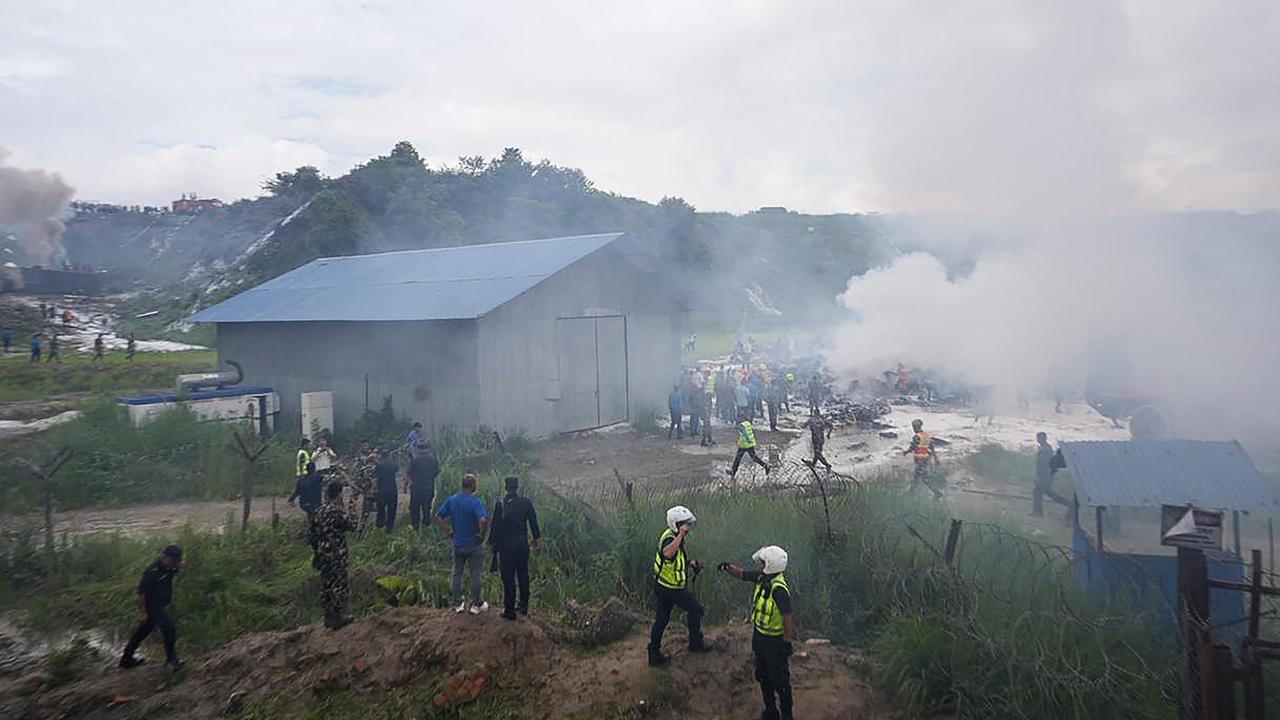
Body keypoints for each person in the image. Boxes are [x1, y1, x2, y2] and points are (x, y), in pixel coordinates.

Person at [718, 546, 795, 720]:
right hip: (759, 636)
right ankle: (770, 711)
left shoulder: (779, 589)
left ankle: (787, 716)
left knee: (781, 682)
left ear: (769, 565)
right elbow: (744, 574)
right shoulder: (763, 577)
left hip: (774, 641)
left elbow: (787, 615)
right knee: (762, 675)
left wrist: (787, 641)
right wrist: (728, 567)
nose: (759, 564)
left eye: (762, 562)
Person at [648, 505, 711, 666]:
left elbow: (675, 560)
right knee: (696, 609)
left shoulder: (675, 536)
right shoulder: (671, 538)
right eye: (685, 524)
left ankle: (653, 653)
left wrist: (690, 563)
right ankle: (695, 644)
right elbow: (668, 554)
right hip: (671, 589)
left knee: (661, 619)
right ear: (676, 524)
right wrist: (681, 535)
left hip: (664, 586)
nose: (689, 527)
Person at [119, 544, 185, 670]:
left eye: (176, 561)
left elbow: (178, 568)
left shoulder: (170, 567)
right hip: (151, 604)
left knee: (142, 632)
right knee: (169, 627)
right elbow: (142, 593)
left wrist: (179, 565)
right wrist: (143, 612)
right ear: (164, 557)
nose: (173, 564)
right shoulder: (152, 571)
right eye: (172, 560)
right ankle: (172, 660)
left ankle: (126, 659)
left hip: (160, 604)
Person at [487, 475, 541, 620]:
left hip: (506, 547)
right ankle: (523, 606)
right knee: (523, 575)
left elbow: (495, 527)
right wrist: (536, 538)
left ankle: (509, 610)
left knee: (508, 578)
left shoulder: (501, 504)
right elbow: (533, 521)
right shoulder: (526, 502)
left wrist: (492, 544)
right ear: (517, 487)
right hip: (522, 545)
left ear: (506, 487)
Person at [435, 473, 490, 614]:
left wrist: (448, 531)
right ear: (472, 486)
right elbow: (483, 520)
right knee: (476, 574)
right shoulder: (475, 502)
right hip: (474, 544)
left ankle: (458, 603)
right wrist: (481, 534)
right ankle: (477, 604)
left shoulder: (452, 500)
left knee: (457, 574)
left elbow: (438, 517)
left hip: (458, 543)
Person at [311, 479, 355, 629]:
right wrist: (352, 510)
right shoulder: (337, 512)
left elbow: (312, 535)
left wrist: (316, 553)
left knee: (326, 583)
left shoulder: (319, 511)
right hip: (336, 554)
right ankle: (336, 617)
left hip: (322, 552)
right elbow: (352, 526)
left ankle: (328, 616)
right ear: (339, 494)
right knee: (339, 584)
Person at [1032, 432, 1070, 517]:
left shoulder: (1045, 449)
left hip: (1044, 475)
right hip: (1046, 475)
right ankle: (1037, 512)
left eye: (1040, 438)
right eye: (1038, 438)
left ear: (1044, 439)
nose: (1039, 440)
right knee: (1040, 493)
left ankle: (1069, 504)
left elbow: (1043, 465)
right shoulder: (1045, 448)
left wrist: (1039, 476)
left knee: (1043, 493)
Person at [406, 444, 440, 530]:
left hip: (417, 489)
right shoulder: (434, 461)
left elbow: (409, 474)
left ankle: (416, 528)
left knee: (415, 509)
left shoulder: (415, 461)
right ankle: (426, 527)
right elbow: (436, 473)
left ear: (419, 450)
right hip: (429, 488)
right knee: (427, 508)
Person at [903, 419, 939, 495]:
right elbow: (931, 447)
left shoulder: (916, 437)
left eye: (913, 427)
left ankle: (937, 492)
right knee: (918, 477)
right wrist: (936, 458)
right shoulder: (926, 435)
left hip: (920, 460)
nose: (913, 428)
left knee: (923, 479)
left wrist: (906, 452)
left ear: (915, 427)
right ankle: (911, 491)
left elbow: (913, 448)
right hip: (925, 459)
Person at [729, 413, 770, 479]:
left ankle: (733, 472)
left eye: (738, 418)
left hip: (745, 445)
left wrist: (748, 440)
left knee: (738, 458)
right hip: (749, 444)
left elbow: (744, 433)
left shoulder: (741, 425)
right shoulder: (747, 423)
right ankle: (765, 466)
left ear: (741, 418)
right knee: (754, 457)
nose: (737, 419)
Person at [351, 440, 379, 530]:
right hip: (359, 480)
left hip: (369, 482)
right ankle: (352, 521)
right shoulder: (359, 456)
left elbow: (378, 465)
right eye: (363, 445)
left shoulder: (374, 455)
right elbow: (355, 467)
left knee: (367, 502)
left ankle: (363, 524)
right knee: (352, 500)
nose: (364, 447)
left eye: (366, 445)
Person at [373, 451, 400, 532]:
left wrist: (373, 489)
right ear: (389, 457)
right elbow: (399, 472)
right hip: (392, 490)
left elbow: (376, 479)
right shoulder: (394, 465)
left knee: (380, 510)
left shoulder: (378, 466)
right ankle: (389, 527)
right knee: (391, 510)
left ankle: (379, 527)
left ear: (381, 457)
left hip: (381, 491)